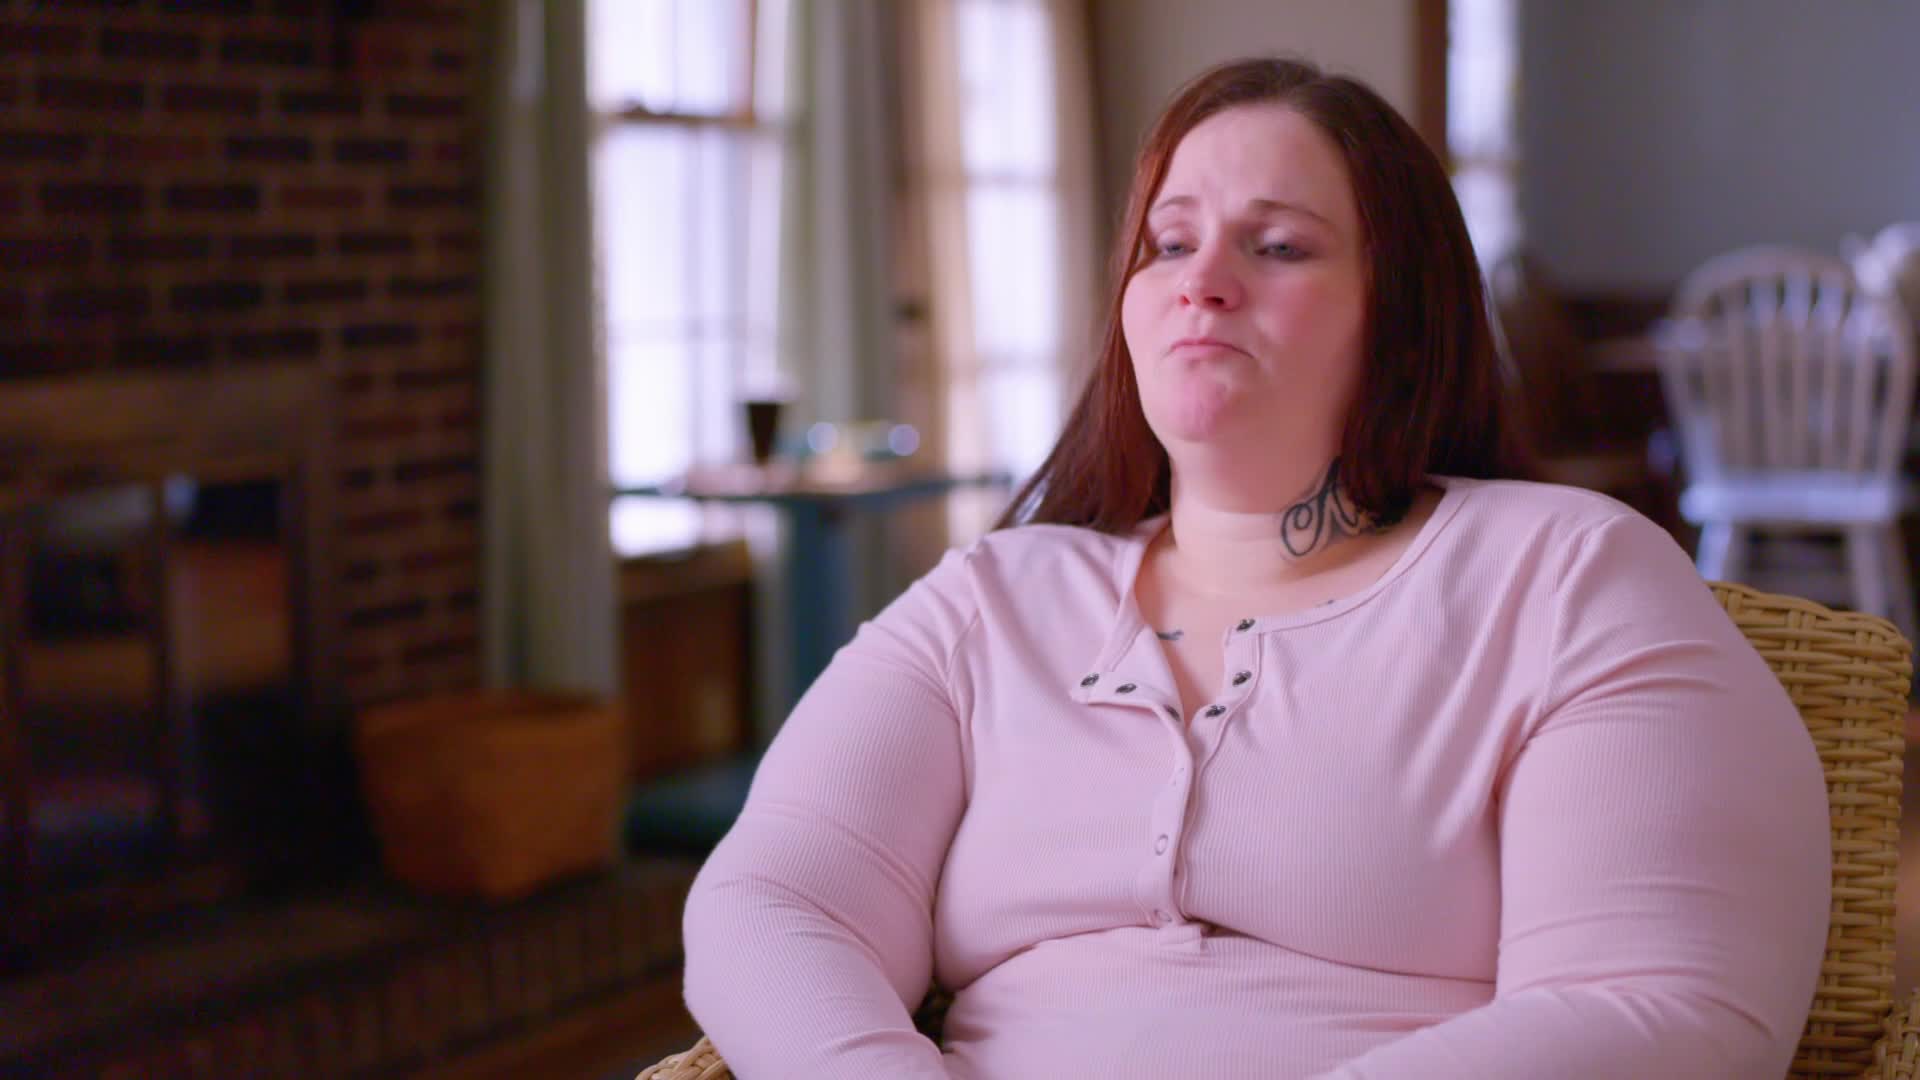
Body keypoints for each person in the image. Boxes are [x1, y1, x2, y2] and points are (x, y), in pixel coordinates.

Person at [679, 57, 1829, 1079]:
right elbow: (774, 902)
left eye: (1277, 247)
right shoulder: (991, 602)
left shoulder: (1566, 577)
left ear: (1404, 317)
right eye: (1170, 243)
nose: (1203, 281)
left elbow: (1663, 1006)